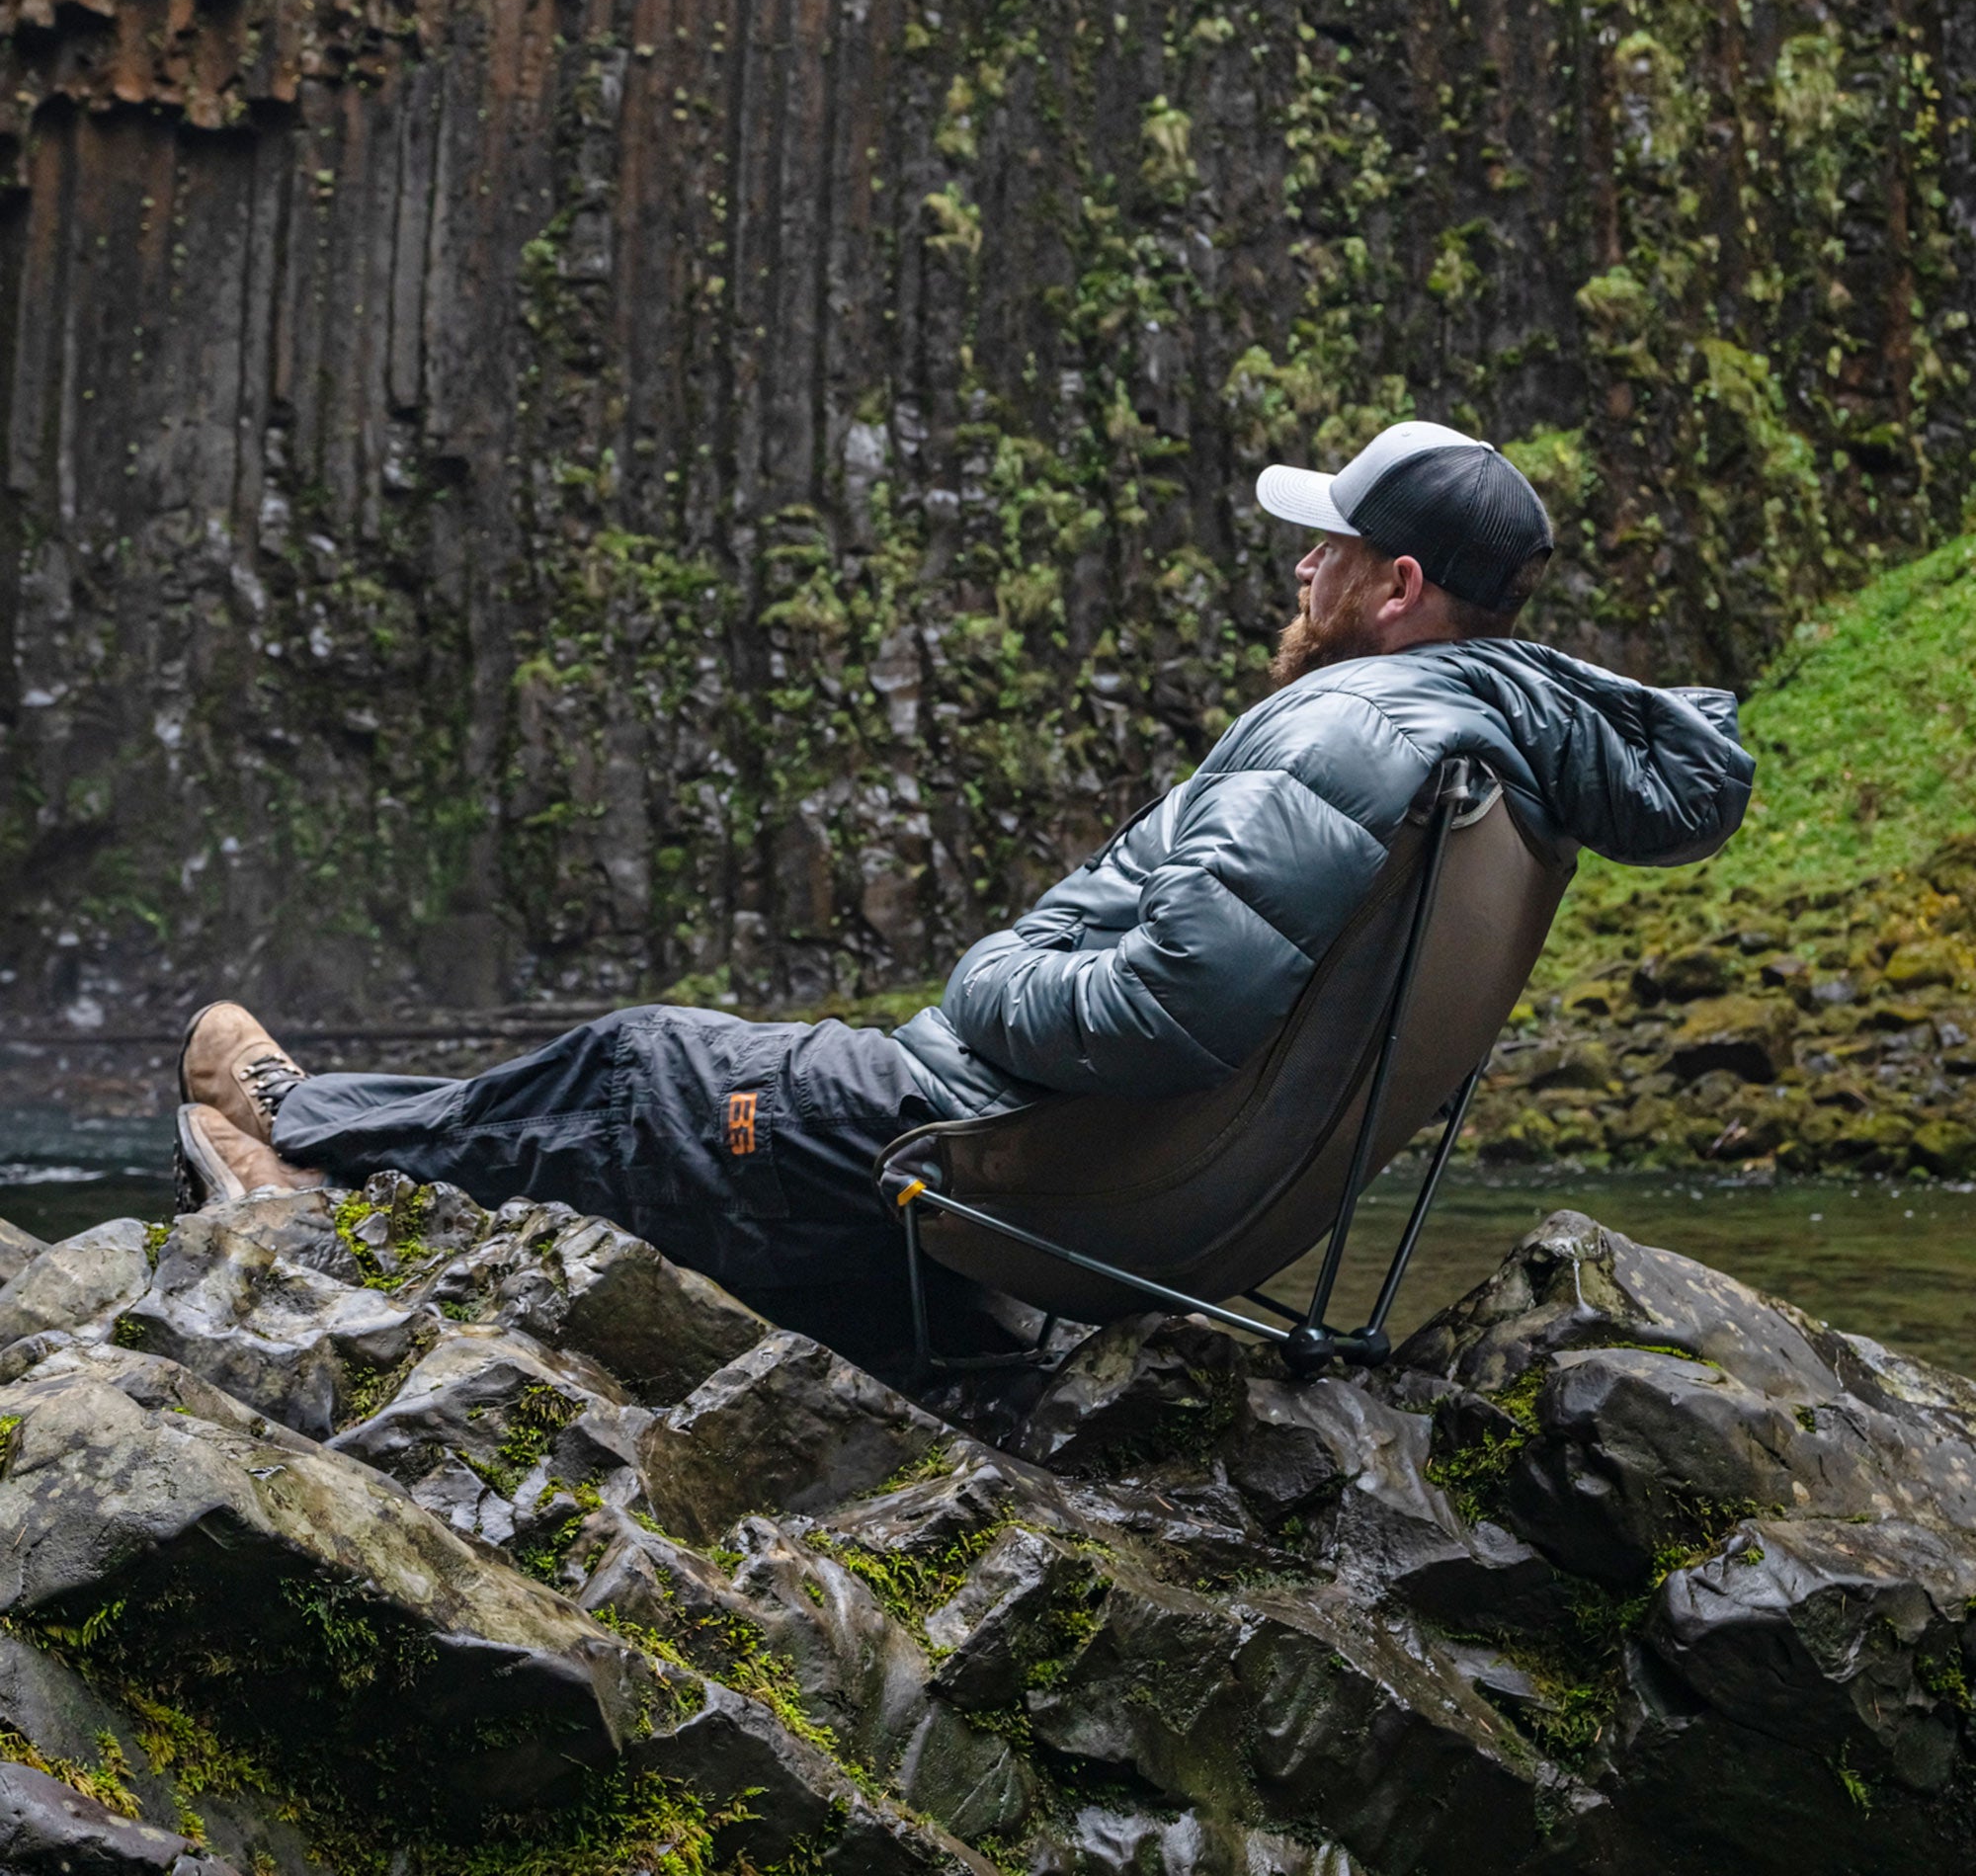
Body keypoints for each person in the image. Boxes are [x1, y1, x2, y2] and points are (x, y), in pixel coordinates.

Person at [176, 422, 1753, 1346]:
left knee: (647, 1063)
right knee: (676, 1089)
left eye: (1328, 548)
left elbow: (1169, 1000)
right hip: (1130, 1192)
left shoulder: (1349, 724)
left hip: (986, 1151)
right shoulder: (1492, 744)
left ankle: (300, 1137)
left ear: (1397, 587)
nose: (1301, 568)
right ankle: (347, 1149)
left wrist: (992, 981)